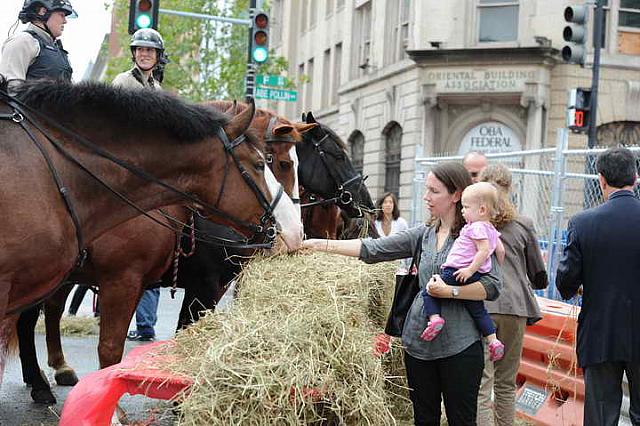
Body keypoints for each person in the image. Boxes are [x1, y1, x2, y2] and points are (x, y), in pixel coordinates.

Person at [303, 162, 502, 425]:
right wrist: (318, 244)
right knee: (423, 418)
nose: (426, 197)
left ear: (455, 195)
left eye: (434, 191)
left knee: (461, 419)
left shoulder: (475, 235)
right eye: (427, 190)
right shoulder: (423, 234)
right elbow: (373, 249)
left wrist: (451, 291)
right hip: (418, 345)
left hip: (461, 347)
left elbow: (492, 287)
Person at [556, 147, 640, 426]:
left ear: (601, 180)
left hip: (601, 331)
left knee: (601, 416)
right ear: (636, 178)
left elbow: (565, 284)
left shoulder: (583, 223)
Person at [476, 164, 547, 426]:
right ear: (510, 188)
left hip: (481, 305)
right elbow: (539, 274)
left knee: (483, 382)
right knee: (506, 382)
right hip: (515, 307)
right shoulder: (523, 224)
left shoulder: (473, 223)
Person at [113, 28, 167, 341]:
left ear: (157, 57)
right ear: (134, 54)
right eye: (140, 50)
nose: (144, 54)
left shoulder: (157, 88)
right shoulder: (123, 82)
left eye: (150, 51)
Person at [420, 182, 505, 362]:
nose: (463, 211)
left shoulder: (476, 227)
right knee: (478, 310)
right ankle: (493, 340)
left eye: (466, 207)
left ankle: (435, 318)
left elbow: (482, 250)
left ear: (481, 210)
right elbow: (501, 251)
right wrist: (493, 266)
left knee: (429, 289)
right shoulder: (491, 229)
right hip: (473, 275)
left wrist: (469, 269)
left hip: (457, 271)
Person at [0, 0, 77, 94]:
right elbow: (11, 93)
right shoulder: (24, 40)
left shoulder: (59, 51)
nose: (65, 21)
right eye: (61, 15)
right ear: (43, 12)